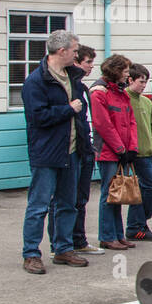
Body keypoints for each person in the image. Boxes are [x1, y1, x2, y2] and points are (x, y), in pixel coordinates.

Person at [20, 30, 91, 272]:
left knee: (67, 204)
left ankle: (63, 249)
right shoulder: (36, 81)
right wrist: (68, 109)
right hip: (47, 153)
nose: (77, 54)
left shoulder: (73, 77)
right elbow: (37, 117)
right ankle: (31, 254)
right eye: (74, 50)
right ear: (61, 51)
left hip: (71, 151)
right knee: (39, 205)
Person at [49, 44, 104, 254]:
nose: (91, 66)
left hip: (85, 147)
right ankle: (59, 244)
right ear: (76, 62)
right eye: (88, 62)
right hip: (69, 150)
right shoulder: (68, 87)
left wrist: (91, 146)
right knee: (63, 200)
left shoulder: (81, 87)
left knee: (81, 198)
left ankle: (78, 240)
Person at [90, 54, 139, 251]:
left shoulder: (122, 93)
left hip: (122, 152)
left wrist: (132, 148)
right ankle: (107, 236)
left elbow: (131, 121)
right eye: (126, 71)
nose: (128, 75)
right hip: (109, 152)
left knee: (119, 195)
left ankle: (118, 235)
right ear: (116, 71)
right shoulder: (99, 93)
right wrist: (120, 149)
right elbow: (103, 125)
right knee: (109, 195)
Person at [124, 64, 152, 241]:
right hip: (134, 153)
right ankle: (136, 224)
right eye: (141, 81)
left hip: (147, 151)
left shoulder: (147, 102)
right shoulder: (125, 99)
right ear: (130, 80)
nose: (143, 85)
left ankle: (138, 224)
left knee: (143, 189)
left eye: (146, 82)